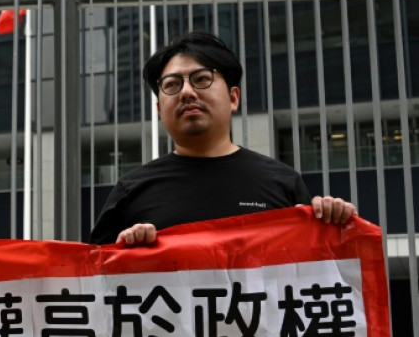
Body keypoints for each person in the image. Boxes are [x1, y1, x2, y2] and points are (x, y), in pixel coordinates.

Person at [89, 31, 356, 246]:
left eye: (201, 79)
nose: (187, 93)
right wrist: (126, 251)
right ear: (159, 109)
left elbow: (313, 271)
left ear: (233, 98)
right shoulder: (131, 191)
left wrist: (332, 223)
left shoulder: (282, 183)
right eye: (171, 85)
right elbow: (92, 282)